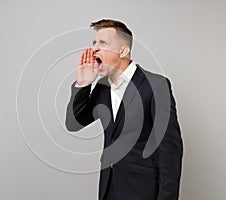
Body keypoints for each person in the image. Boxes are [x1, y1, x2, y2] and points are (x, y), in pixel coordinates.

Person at [65, 19, 183, 200]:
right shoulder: (102, 87)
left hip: (142, 191)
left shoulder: (156, 85)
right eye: (94, 43)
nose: (94, 49)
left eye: (102, 43)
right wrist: (83, 84)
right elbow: (74, 123)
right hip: (108, 190)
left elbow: (170, 151)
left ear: (123, 51)